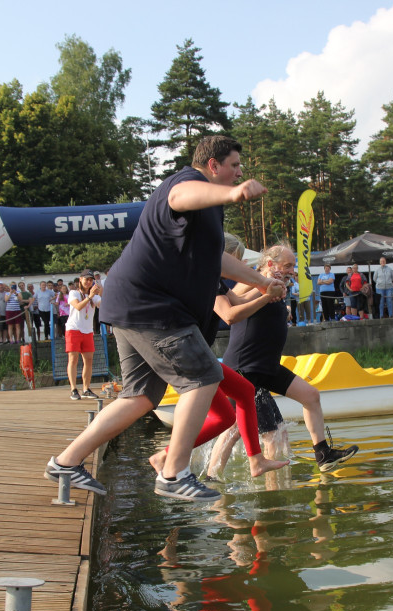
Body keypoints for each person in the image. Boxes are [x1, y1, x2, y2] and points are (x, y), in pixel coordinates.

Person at [45, 135, 282, 502]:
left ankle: (67, 461)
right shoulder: (187, 182)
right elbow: (179, 196)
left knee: (140, 397)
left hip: (132, 305)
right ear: (213, 165)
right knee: (204, 376)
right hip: (151, 306)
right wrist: (233, 193)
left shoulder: (208, 210)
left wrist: (262, 282)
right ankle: (174, 474)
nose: (239, 173)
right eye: (234, 166)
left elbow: (217, 258)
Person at [149, 233, 290, 480]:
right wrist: (267, 295)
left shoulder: (214, 278)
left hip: (192, 347)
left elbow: (239, 299)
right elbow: (229, 315)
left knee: (229, 414)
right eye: (237, 260)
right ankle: (170, 459)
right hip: (185, 346)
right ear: (223, 256)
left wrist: (266, 288)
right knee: (232, 411)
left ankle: (249, 463)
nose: (240, 266)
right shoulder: (203, 275)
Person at [225, 244, 359, 473]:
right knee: (243, 431)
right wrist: (264, 285)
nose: (291, 271)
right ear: (270, 264)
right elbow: (233, 301)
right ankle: (212, 473)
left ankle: (323, 454)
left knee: (311, 396)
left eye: (292, 266)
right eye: (287, 265)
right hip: (245, 367)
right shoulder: (253, 278)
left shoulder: (277, 284)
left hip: (267, 366)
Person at [65, 271, 102, 400]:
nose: (88, 282)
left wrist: (100, 292)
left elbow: (103, 304)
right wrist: (89, 297)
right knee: (73, 359)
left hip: (88, 330)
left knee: (89, 360)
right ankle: (73, 389)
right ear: (80, 279)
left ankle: (86, 389)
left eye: (91, 280)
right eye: (86, 279)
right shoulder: (74, 293)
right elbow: (78, 306)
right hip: (74, 329)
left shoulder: (93, 296)